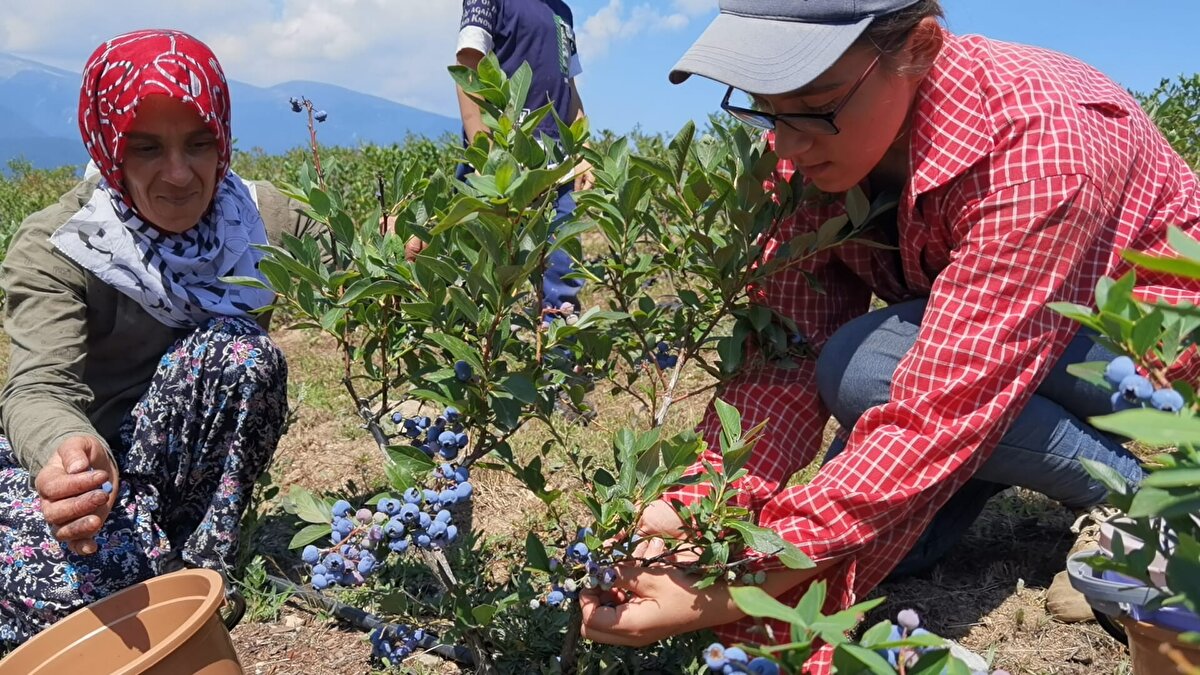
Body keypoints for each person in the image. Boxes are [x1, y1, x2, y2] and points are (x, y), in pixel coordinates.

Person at [578, 1, 1200, 670]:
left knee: (865, 367)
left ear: (919, 47)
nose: (785, 144)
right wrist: (691, 511)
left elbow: (942, 403)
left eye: (814, 105)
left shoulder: (1041, 142)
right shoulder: (804, 150)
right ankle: (1005, 463)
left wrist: (736, 585)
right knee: (872, 552)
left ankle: (1144, 502)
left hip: (1142, 357)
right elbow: (785, 356)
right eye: (765, 106)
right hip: (985, 343)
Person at [0, 29, 294, 650]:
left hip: (173, 467)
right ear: (110, 149)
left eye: (199, 143)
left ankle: (199, 563)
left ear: (223, 140)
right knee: (64, 593)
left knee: (239, 355)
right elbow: (37, 388)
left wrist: (407, 244)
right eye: (147, 148)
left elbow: (363, 260)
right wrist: (67, 450)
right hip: (91, 470)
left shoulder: (259, 221)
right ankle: (147, 568)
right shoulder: (62, 246)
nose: (180, 174)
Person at [455, 0, 594, 314]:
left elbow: (569, 87)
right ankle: (477, 346)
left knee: (562, 274)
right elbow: (469, 66)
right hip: (503, 160)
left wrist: (582, 150)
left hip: (558, 164)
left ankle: (558, 341)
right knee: (481, 275)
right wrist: (485, 155)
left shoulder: (563, 13)